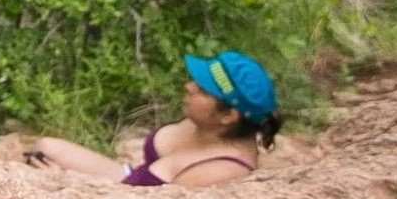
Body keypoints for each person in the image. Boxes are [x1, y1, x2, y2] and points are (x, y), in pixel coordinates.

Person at [26, 51, 280, 188]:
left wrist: (67, 183)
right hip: (127, 177)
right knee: (45, 148)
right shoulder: (208, 122)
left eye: (202, 90)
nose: (189, 86)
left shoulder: (221, 170)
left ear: (228, 116)